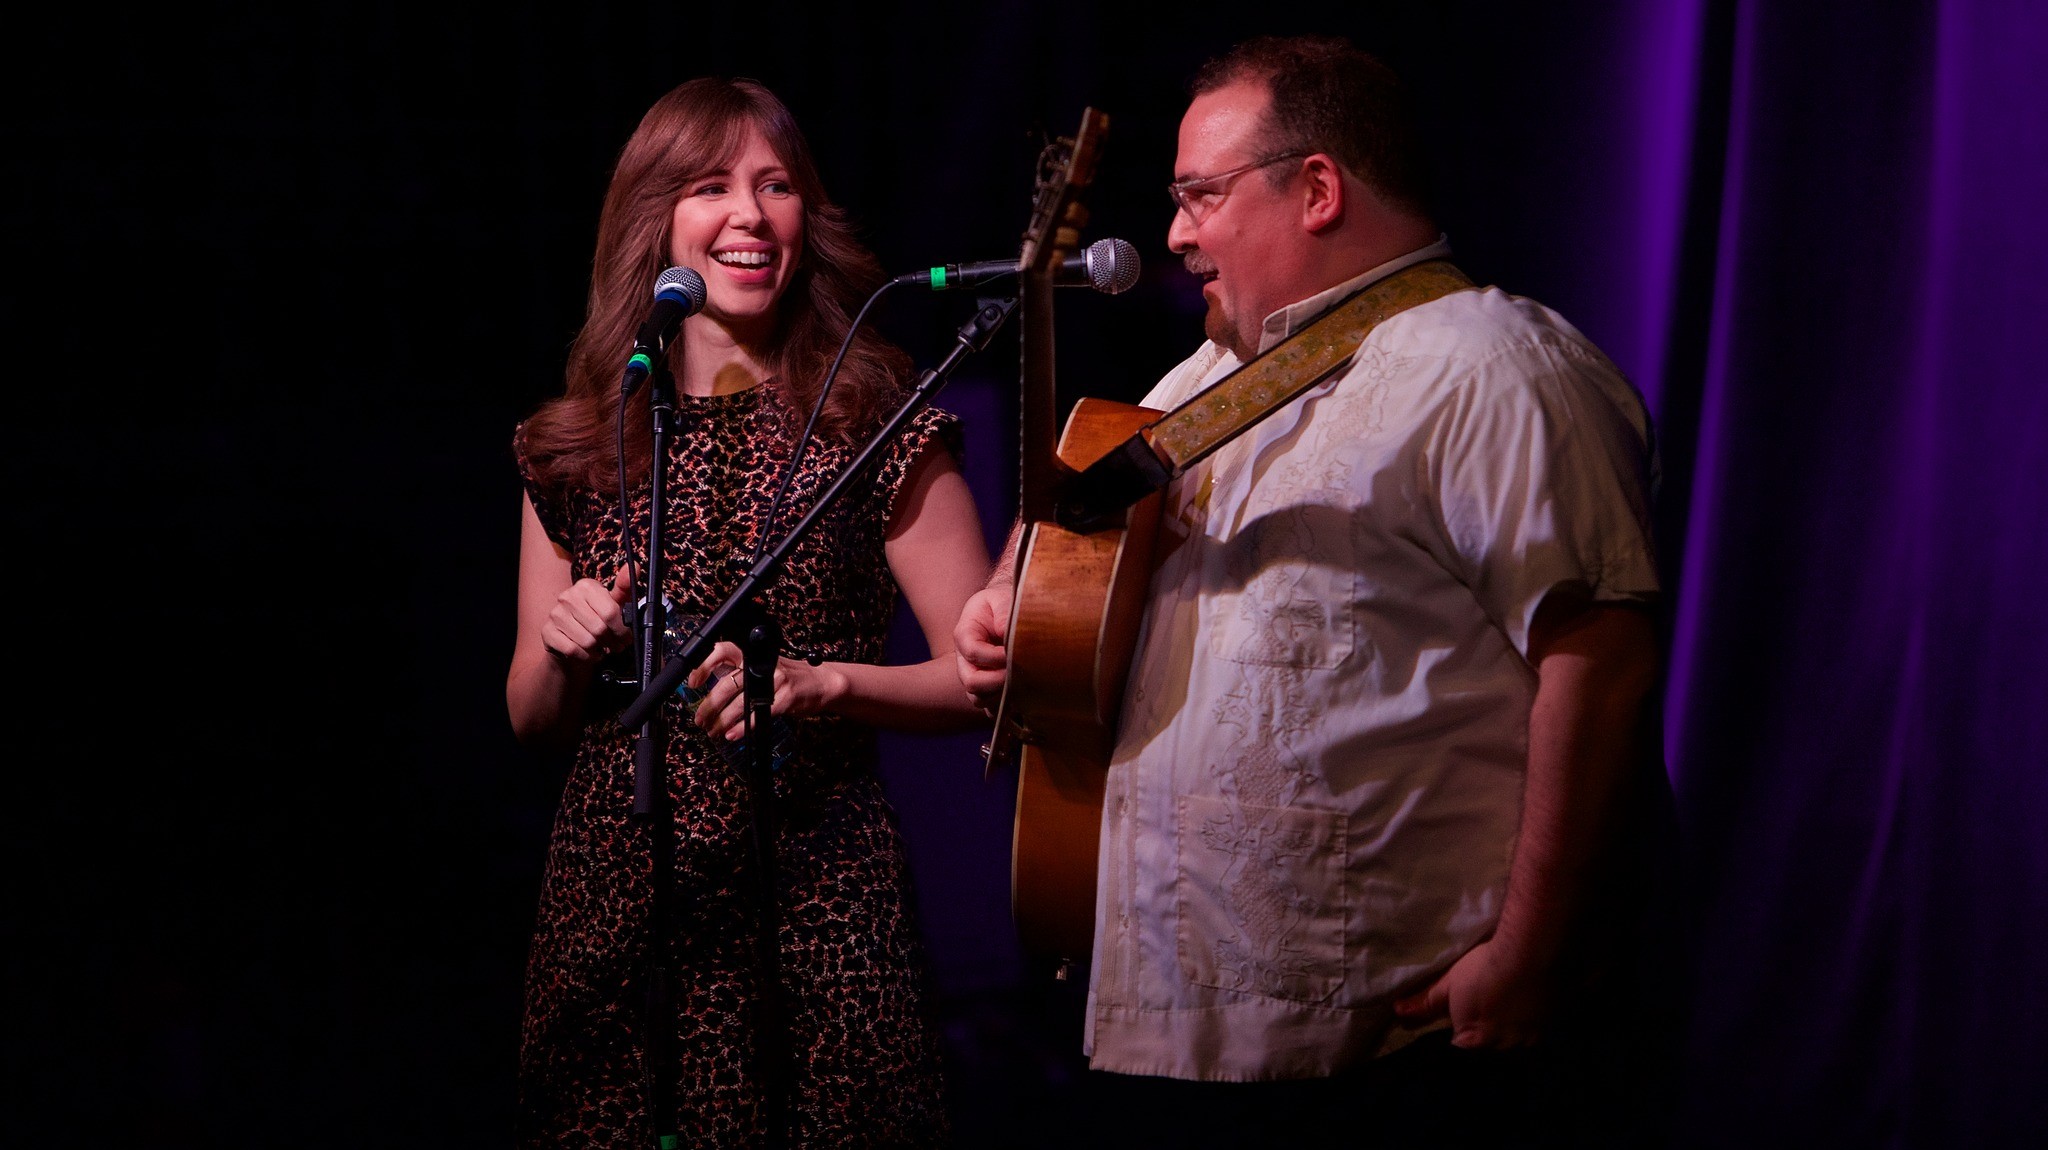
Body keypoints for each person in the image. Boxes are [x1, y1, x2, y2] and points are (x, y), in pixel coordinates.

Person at [955, 35, 1675, 1146]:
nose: (1176, 234)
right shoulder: (1199, 379)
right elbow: (1059, 557)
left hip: (1398, 1048)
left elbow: (1601, 659)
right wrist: (1004, 610)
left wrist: (1530, 951)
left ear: (1319, 188)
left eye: (1199, 195)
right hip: (1182, 1041)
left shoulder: (1489, 365)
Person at [507, 76, 991, 1148]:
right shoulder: (579, 444)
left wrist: (827, 685)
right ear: (655, 221)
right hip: (618, 909)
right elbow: (531, 719)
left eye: (775, 185)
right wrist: (560, 645)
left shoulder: (875, 415)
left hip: (819, 899)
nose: (749, 214)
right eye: (710, 185)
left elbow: (984, 676)